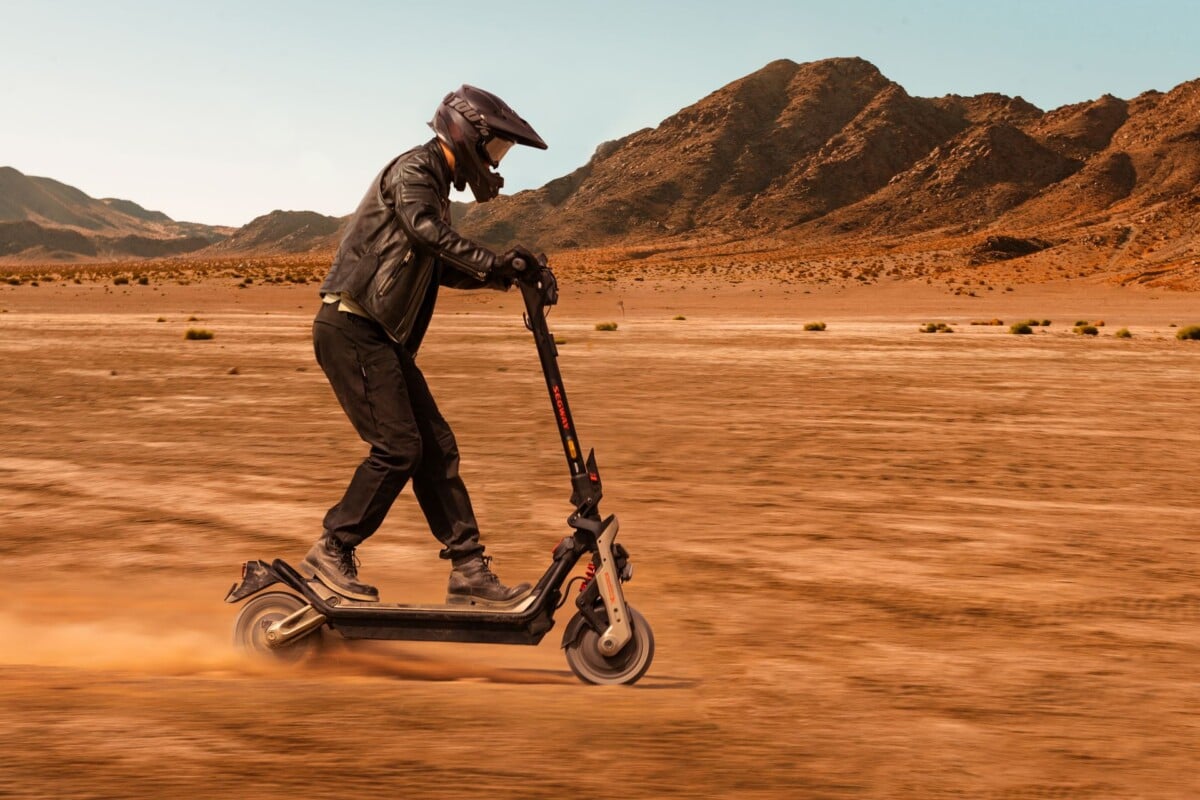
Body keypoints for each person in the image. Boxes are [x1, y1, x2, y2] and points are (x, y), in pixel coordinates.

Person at [303, 85, 547, 606]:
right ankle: (333, 546)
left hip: (379, 337)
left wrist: (507, 276)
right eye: (495, 148)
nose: (495, 161)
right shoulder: (414, 171)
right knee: (398, 448)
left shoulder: (435, 187)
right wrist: (495, 261)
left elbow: (436, 265)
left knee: (436, 449)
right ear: (467, 133)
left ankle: (469, 571)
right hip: (353, 327)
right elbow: (426, 233)